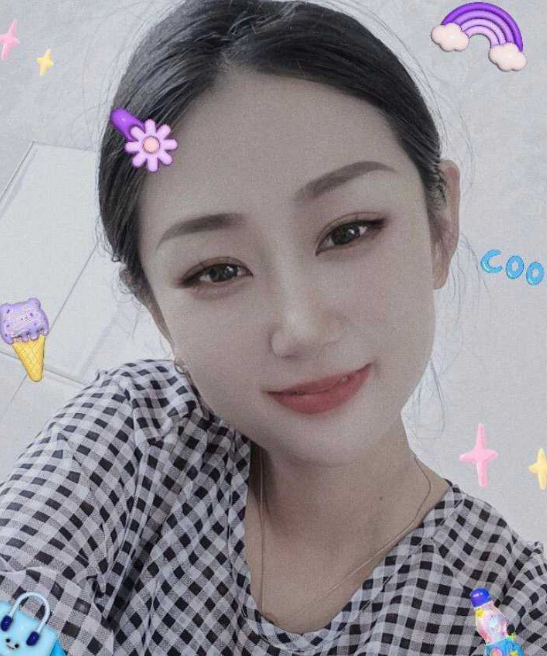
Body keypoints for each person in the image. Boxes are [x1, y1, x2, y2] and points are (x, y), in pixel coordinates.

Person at [0, 0, 546, 654]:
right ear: (156, 310)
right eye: (217, 270)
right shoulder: (135, 440)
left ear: (440, 224)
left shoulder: (512, 609)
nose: (302, 328)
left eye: (348, 231)